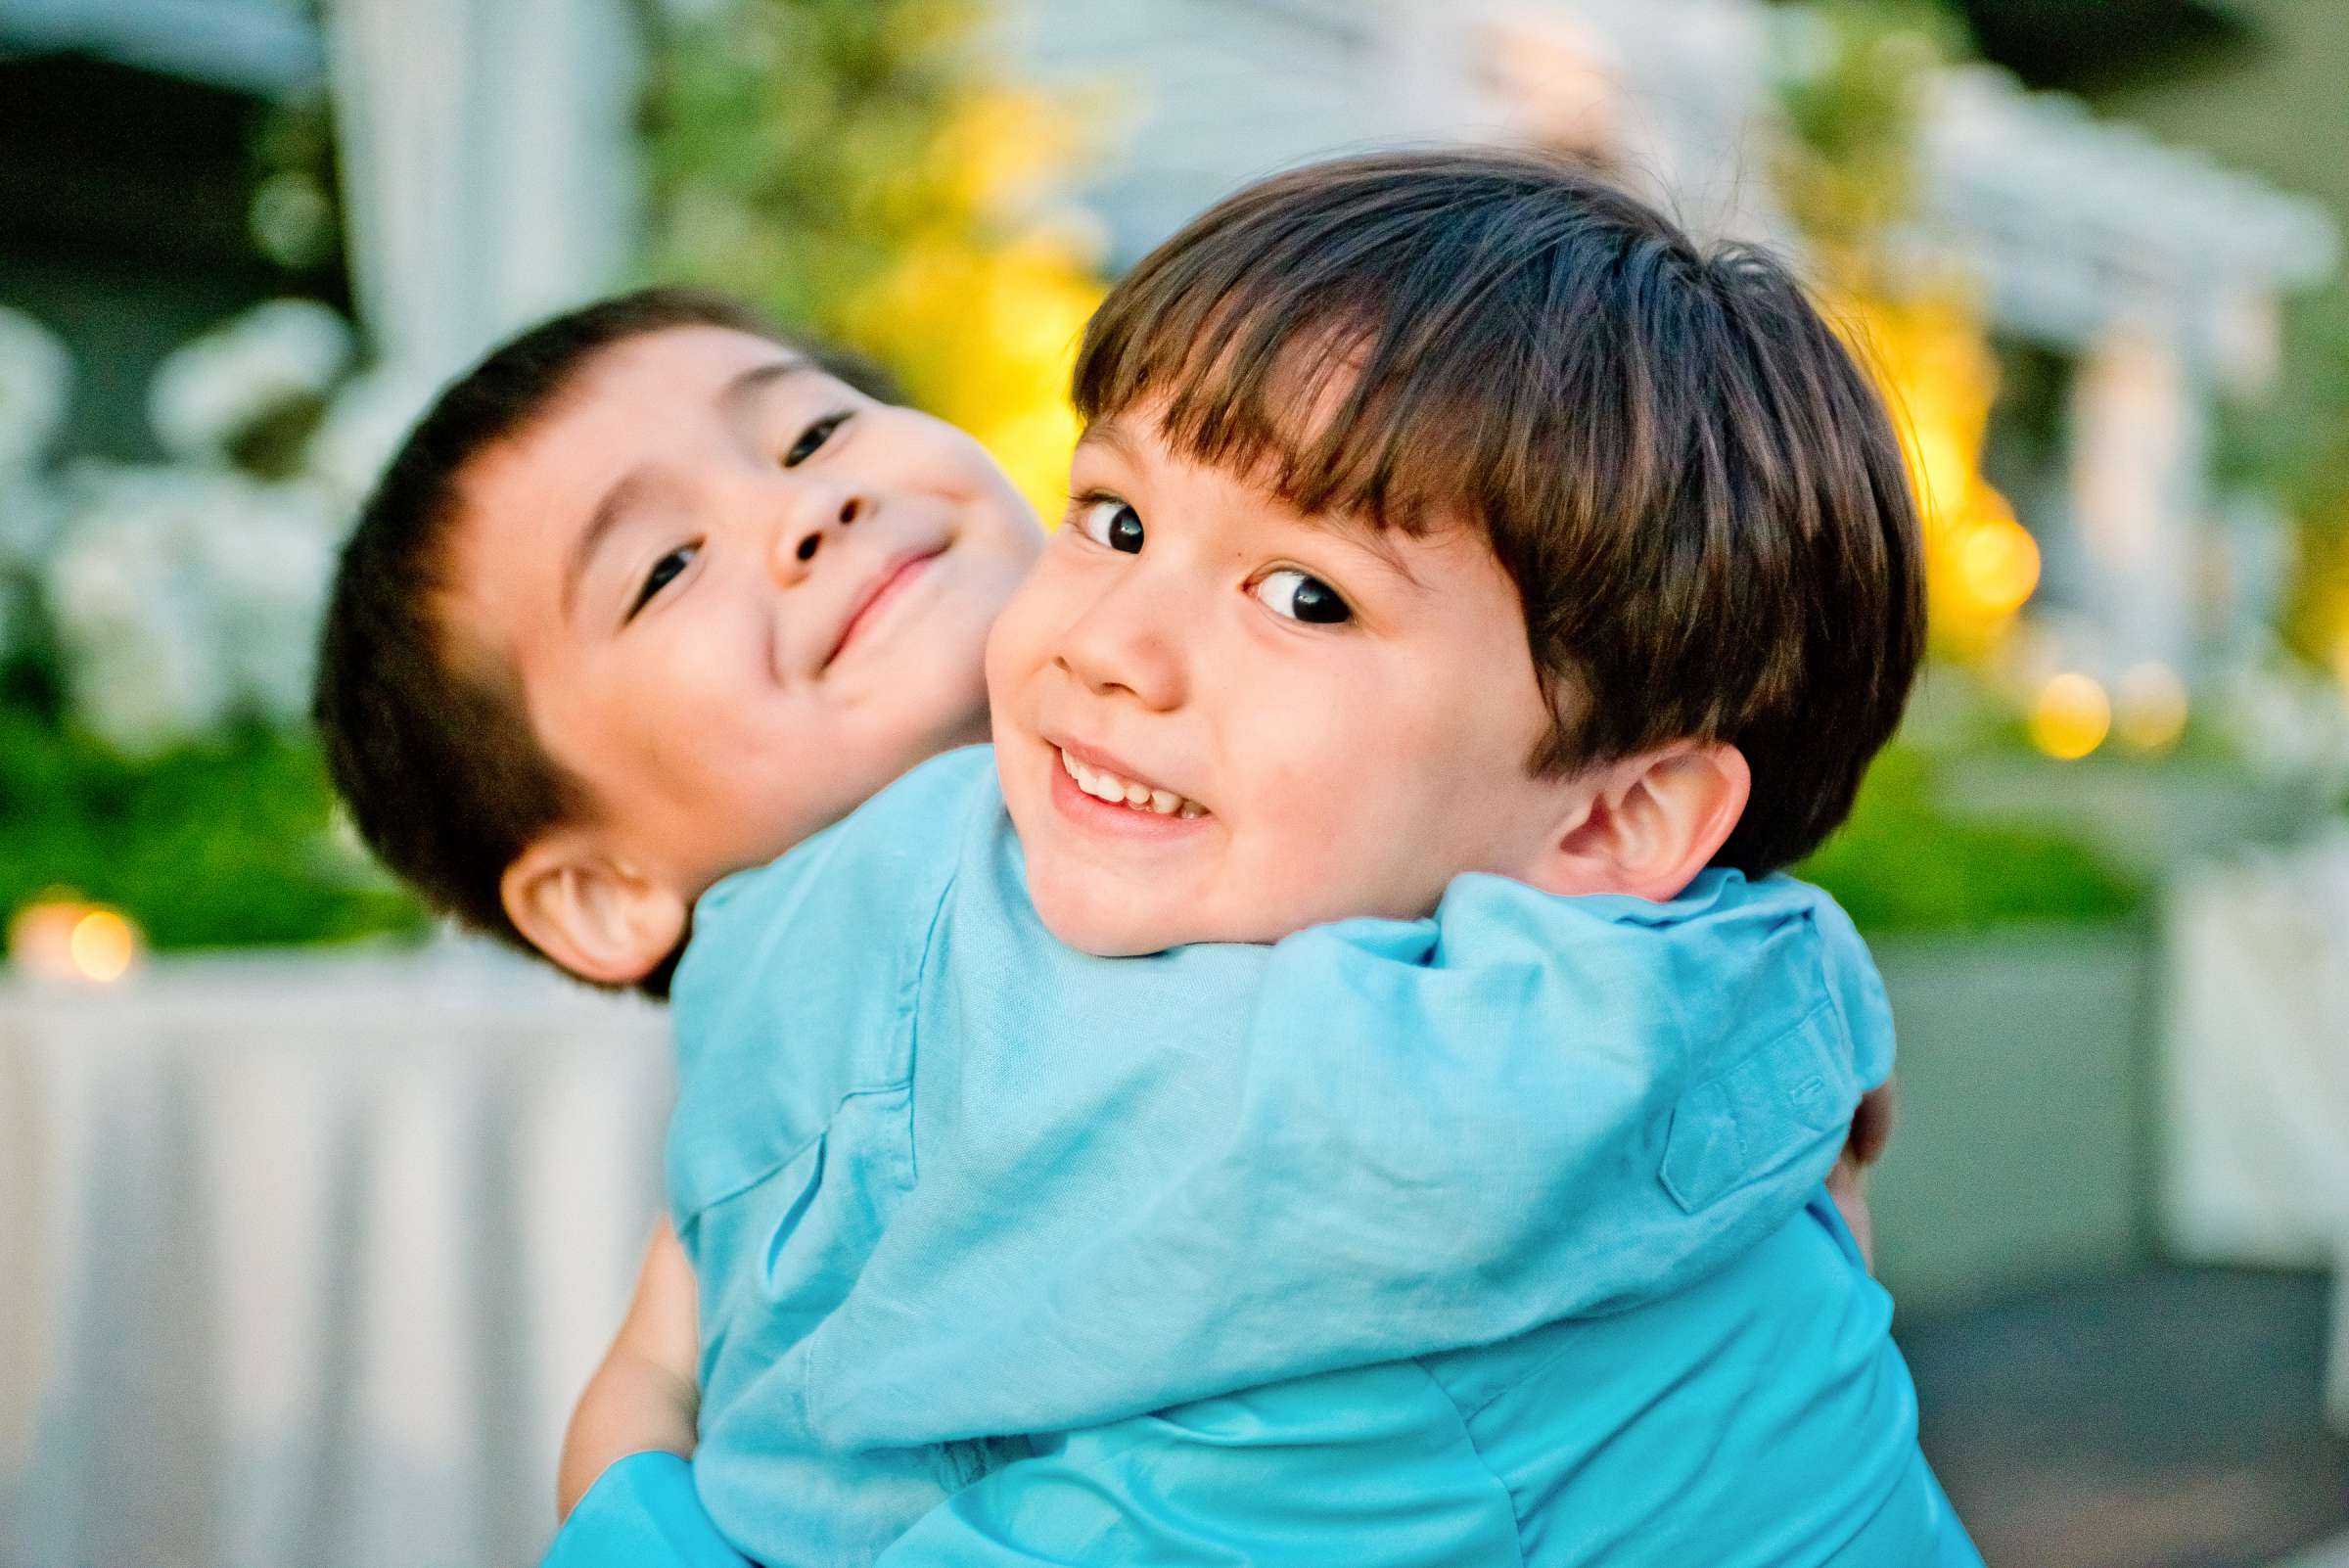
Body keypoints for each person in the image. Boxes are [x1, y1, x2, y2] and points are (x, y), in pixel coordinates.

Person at [315, 151, 1969, 1564]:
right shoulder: (889, 1004)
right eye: (665, 566)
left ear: (1615, 818)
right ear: (602, 891)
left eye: (816, 437)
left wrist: (630, 1472)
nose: (799, 518)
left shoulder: (1327, 1123)